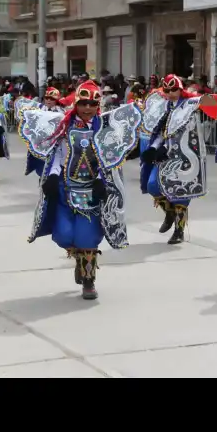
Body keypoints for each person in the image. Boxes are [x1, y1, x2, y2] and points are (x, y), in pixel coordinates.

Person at [23, 80, 143, 300]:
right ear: (76, 103)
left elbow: (107, 160)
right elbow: (58, 154)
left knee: (87, 238)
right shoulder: (64, 125)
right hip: (64, 190)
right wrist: (51, 176)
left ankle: (88, 279)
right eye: (83, 103)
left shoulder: (105, 129)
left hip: (91, 192)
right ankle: (79, 258)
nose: (87, 108)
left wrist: (100, 180)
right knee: (63, 235)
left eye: (92, 104)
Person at [140, 74, 217, 245]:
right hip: (164, 155)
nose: (170, 93)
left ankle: (179, 230)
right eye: (167, 89)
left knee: (181, 193)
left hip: (184, 156)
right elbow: (161, 132)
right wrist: (153, 148)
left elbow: (213, 103)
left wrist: (205, 98)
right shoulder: (163, 106)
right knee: (153, 185)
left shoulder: (189, 105)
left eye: (174, 89)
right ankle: (169, 212)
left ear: (180, 89)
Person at [19, 87, 65, 177]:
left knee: (56, 163)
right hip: (41, 140)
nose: (48, 100)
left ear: (56, 100)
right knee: (39, 161)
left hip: (56, 141)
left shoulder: (62, 111)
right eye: (46, 98)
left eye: (51, 99)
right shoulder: (38, 109)